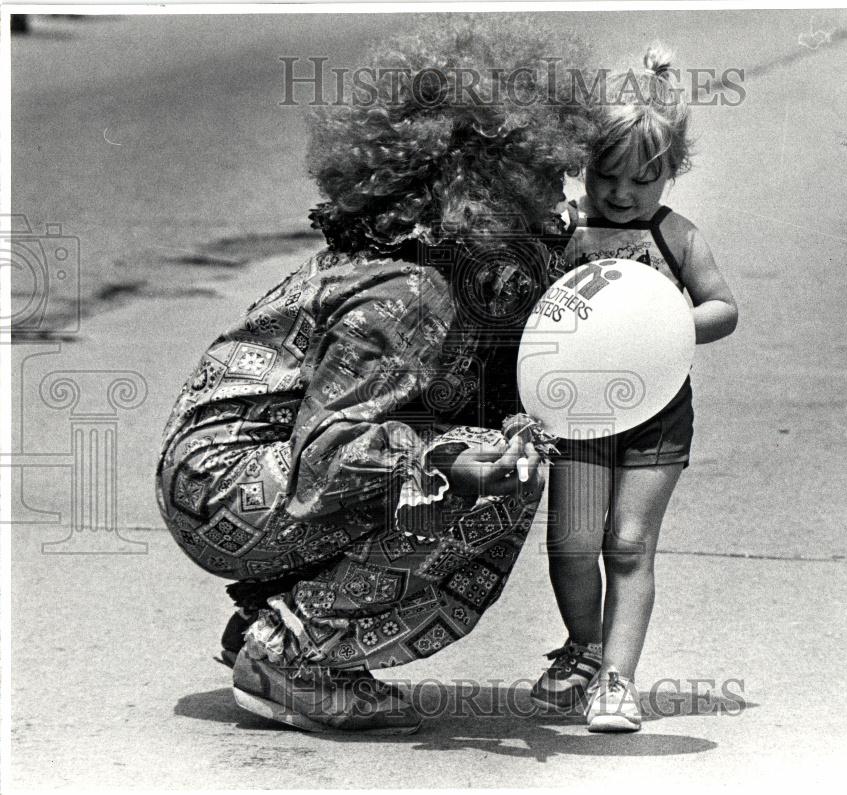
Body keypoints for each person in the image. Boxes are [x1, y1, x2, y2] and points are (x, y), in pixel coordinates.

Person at [155, 19, 594, 734]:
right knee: (492, 478)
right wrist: (442, 458)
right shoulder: (407, 291)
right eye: (542, 177)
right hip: (228, 482)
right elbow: (328, 449)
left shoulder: (440, 250)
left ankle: (271, 623)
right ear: (481, 179)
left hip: (240, 469)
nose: (557, 202)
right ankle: (292, 650)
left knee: (473, 437)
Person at [528, 45, 738, 732]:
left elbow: (721, 307)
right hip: (579, 414)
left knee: (627, 544)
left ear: (670, 174)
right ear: (584, 168)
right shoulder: (568, 232)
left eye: (641, 181)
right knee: (569, 543)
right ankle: (585, 647)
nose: (621, 194)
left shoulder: (674, 235)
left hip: (655, 418)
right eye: (606, 175)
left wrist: (674, 322)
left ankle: (617, 680)